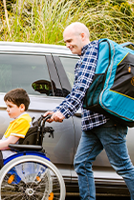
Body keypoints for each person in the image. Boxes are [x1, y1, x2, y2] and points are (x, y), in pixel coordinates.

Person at [44, 22, 134, 199]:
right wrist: (57, 109)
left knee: (122, 166)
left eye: (70, 40)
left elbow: (80, 88)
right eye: (65, 42)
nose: (68, 45)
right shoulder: (93, 54)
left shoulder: (90, 53)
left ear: (83, 36)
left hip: (107, 122)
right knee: (82, 163)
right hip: (94, 122)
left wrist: (63, 112)